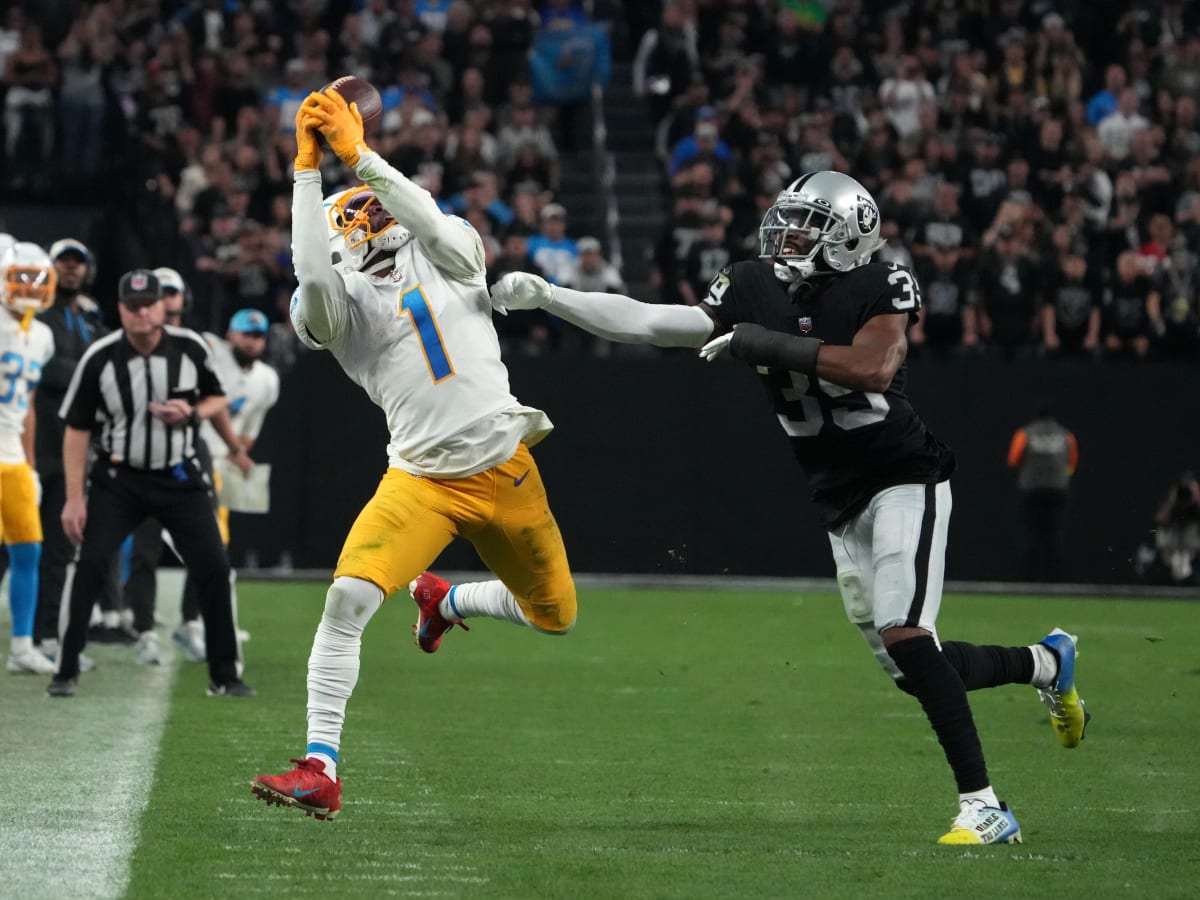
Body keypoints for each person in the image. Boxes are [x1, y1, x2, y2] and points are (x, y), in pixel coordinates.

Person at [490, 171, 1091, 845]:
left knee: (906, 635)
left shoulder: (882, 282)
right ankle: (1046, 661)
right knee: (913, 668)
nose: (788, 234)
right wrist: (551, 296)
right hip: (838, 497)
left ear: (848, 237)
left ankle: (986, 807)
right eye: (788, 219)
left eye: (808, 224)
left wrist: (761, 343)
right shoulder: (753, 282)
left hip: (904, 475)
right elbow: (656, 322)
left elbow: (873, 367)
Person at [250, 89, 577, 821]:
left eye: (373, 205)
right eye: (354, 216)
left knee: (556, 614)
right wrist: (306, 171)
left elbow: (429, 219)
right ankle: (320, 766)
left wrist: (359, 157)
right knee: (346, 599)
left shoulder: (449, 247)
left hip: (504, 466)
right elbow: (309, 278)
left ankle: (447, 598)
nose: (371, 219)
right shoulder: (332, 308)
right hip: (422, 480)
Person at [48, 268, 254, 698]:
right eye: (132, 306)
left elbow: (216, 398)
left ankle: (225, 675)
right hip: (118, 478)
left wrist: (197, 416)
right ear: (120, 309)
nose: (141, 314)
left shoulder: (190, 348)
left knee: (214, 566)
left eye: (148, 305)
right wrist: (73, 498)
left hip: (179, 475)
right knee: (90, 564)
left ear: (163, 306)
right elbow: (77, 428)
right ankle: (65, 670)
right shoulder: (101, 356)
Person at [33, 237, 119, 660]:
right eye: (63, 263)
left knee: (59, 550)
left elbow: (107, 365)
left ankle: (45, 637)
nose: (71, 269)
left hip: (69, 451)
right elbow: (45, 369)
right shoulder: (33, 314)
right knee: (14, 548)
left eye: (77, 263)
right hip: (30, 448)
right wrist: (89, 374)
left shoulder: (86, 320)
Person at [0, 242, 56, 674]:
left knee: (28, 551)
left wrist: (32, 465)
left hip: (15, 457)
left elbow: (29, 406)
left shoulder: (42, 336)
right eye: (20, 277)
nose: (29, 288)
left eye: (36, 279)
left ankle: (21, 645)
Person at [1007, 406, 1079, 582]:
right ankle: (1056, 579)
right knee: (1054, 535)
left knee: (1032, 535)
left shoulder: (1024, 434)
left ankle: (1028, 579)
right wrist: (1060, 479)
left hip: (1031, 491)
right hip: (1058, 492)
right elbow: (1072, 463)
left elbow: (1013, 460)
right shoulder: (1065, 435)